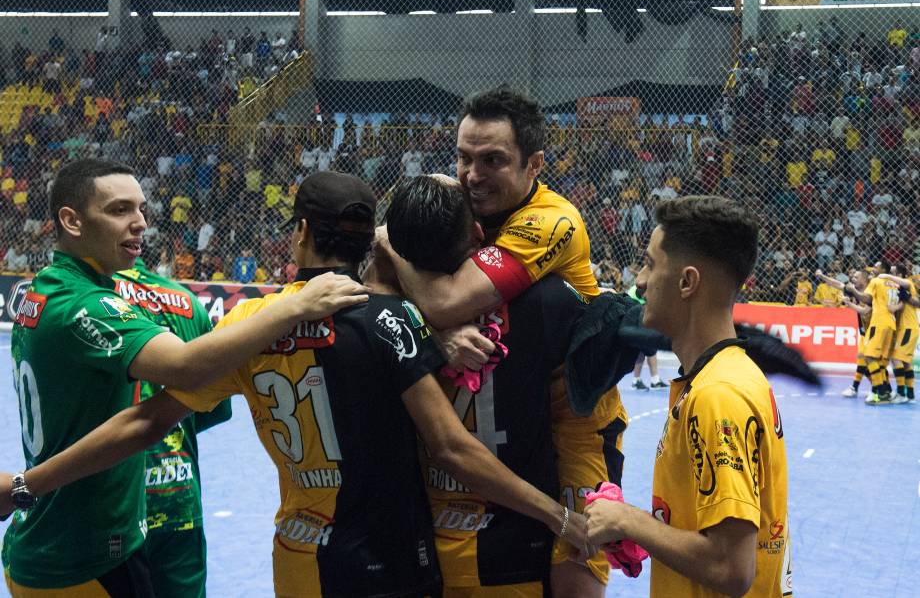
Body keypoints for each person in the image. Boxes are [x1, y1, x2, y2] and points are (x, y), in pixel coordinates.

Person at [0, 171, 584, 598]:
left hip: (301, 563)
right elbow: (453, 449)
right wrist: (558, 517)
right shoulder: (392, 319)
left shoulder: (248, 328)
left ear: (299, 231)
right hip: (392, 565)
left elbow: (144, 421)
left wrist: (29, 484)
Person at [0, 158, 369, 597]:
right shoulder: (87, 305)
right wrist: (293, 305)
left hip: (70, 536)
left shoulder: (38, 290)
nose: (139, 224)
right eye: (119, 210)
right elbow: (186, 367)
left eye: (140, 209)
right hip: (80, 551)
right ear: (71, 221)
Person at [377, 88, 617, 595]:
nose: (472, 176)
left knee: (575, 565)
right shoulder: (460, 203)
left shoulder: (551, 221)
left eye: (493, 161)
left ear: (534, 165)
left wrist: (390, 246)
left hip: (573, 416)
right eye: (464, 158)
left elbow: (445, 301)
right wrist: (439, 331)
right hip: (506, 402)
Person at [585, 196, 791, 598]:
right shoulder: (727, 375)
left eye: (649, 264)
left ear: (686, 282)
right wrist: (649, 529)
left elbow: (730, 567)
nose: (640, 280)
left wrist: (629, 522)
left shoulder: (718, 396)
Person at [113, 260, 232, 598]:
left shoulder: (81, 299)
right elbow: (213, 407)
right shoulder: (185, 301)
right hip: (178, 500)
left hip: (109, 505)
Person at [846, 260, 900, 404]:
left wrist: (853, 291)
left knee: (868, 356)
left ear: (883, 269)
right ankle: (886, 390)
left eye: (876, 267)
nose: (873, 269)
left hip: (879, 322)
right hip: (891, 324)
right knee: (880, 361)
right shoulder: (894, 283)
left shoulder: (877, 281)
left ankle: (879, 392)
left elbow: (866, 298)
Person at [820, 269, 872, 398]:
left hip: (875, 331)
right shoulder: (854, 290)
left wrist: (849, 304)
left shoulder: (870, 292)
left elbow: (865, 311)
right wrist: (822, 276)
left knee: (870, 361)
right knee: (863, 359)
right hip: (865, 332)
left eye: (856, 276)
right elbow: (838, 284)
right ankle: (871, 387)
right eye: (853, 276)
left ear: (865, 280)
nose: (853, 278)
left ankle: (875, 388)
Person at [877, 265, 918, 403]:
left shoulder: (907, 283)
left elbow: (906, 283)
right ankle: (910, 395)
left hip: (908, 328)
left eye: (893, 273)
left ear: (899, 274)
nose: (891, 274)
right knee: (906, 362)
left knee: (896, 358)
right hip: (902, 328)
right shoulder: (897, 289)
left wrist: (887, 276)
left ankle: (901, 393)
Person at [626, 285, 667, 390]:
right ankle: (637, 380)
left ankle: (654, 380)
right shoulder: (632, 295)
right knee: (642, 350)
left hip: (644, 322)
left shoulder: (652, 292)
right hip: (633, 323)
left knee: (651, 348)